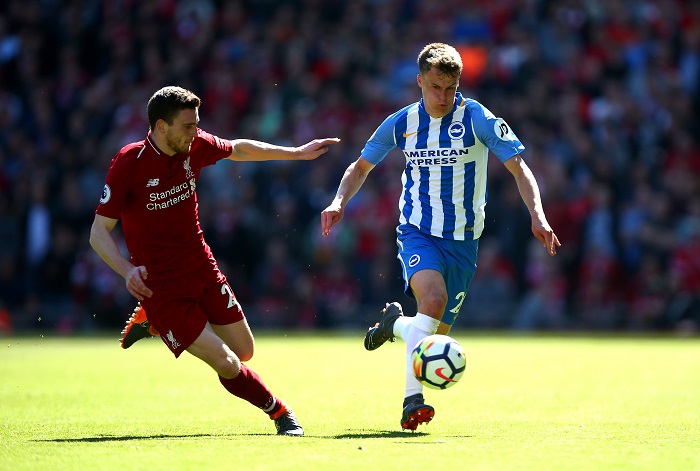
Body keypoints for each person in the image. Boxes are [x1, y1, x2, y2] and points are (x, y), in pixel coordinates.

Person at [320, 43, 560, 431]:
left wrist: (538, 215)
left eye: (450, 88)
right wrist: (338, 200)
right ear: (419, 81)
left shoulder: (477, 118)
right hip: (417, 231)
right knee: (433, 299)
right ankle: (412, 402)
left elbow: (519, 168)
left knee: (430, 335)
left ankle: (395, 324)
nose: (443, 96)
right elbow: (360, 166)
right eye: (435, 87)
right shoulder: (401, 123)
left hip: (465, 241)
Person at [90, 85, 340, 436]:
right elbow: (98, 232)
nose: (196, 133)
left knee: (245, 350)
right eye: (188, 126)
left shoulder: (194, 146)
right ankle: (280, 413)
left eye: (196, 124)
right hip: (160, 287)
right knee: (227, 361)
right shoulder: (129, 163)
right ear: (161, 127)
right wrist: (127, 271)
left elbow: (238, 148)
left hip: (202, 268)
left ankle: (154, 324)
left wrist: (296, 153)